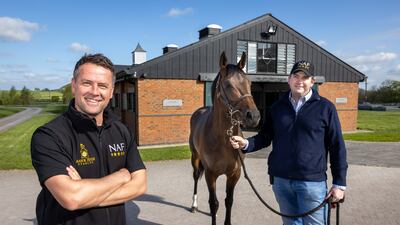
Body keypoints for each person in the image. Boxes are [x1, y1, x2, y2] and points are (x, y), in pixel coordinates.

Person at [31, 53, 147, 225]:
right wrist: (120, 177)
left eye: (102, 85)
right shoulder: (49, 136)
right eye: (87, 83)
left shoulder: (121, 131)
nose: (94, 92)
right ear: (74, 86)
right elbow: (71, 198)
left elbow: (140, 186)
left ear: (110, 92)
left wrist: (85, 193)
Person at [230, 60, 347, 225]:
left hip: (311, 183)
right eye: (296, 76)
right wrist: (246, 144)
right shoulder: (277, 107)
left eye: (305, 77)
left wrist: (339, 184)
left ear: (312, 81)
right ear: (289, 79)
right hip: (281, 182)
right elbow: (265, 136)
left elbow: (337, 146)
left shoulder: (326, 108)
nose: (299, 81)